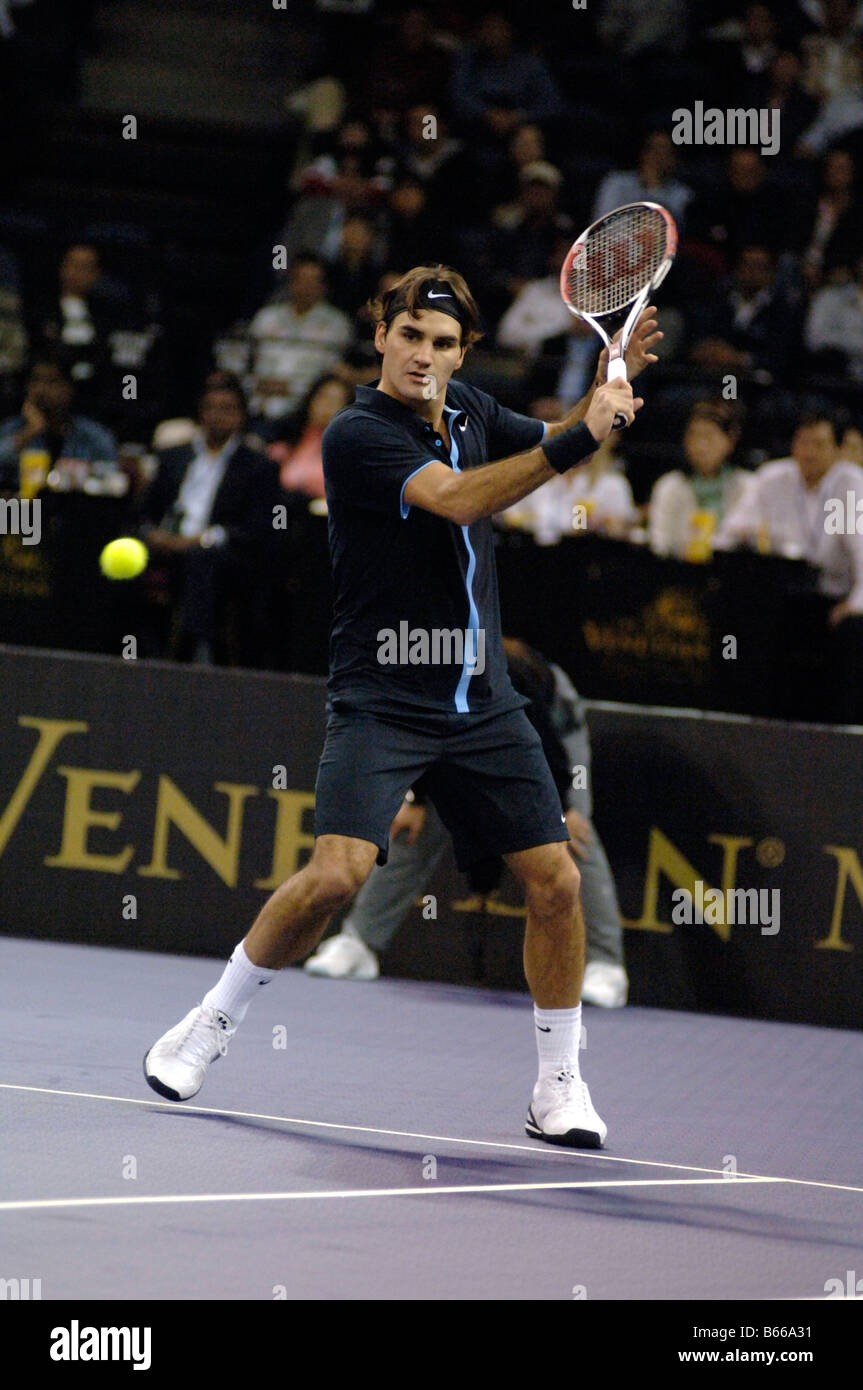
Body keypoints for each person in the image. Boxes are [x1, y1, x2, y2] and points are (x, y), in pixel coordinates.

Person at [144, 263, 660, 1150]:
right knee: (337, 875)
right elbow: (460, 501)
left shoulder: (472, 414)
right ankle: (210, 1022)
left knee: (556, 881)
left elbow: (548, 438)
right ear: (380, 335)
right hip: (382, 696)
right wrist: (584, 437)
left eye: (444, 343)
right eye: (410, 336)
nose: (424, 355)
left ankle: (557, 1085)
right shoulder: (357, 434)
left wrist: (605, 399)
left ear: (465, 354)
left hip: (483, 705)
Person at [305, 640, 630, 1008]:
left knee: (571, 834)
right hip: (469, 729)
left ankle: (607, 966)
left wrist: (565, 807)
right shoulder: (415, 672)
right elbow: (414, 736)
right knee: (417, 823)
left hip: (549, 723)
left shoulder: (497, 671)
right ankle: (359, 943)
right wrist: (415, 798)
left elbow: (543, 741)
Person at [714, 409, 863, 721]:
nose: (809, 453)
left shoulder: (851, 485)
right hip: (781, 594)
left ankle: (838, 727)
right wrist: (748, 533)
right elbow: (727, 535)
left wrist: (855, 604)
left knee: (852, 631)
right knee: (733, 611)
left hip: (831, 598)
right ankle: (740, 715)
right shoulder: (772, 477)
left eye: (819, 445)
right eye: (803, 443)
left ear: (837, 450)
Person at [140, 378, 282, 664]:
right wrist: (151, 532)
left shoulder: (257, 466)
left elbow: (256, 528)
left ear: (240, 416)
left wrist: (202, 539)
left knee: (201, 560)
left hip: (218, 551)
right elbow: (146, 509)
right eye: (211, 407)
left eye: (227, 408)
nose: (217, 415)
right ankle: (123, 649)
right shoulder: (173, 456)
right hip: (166, 542)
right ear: (200, 412)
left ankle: (192, 652)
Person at [648, 401, 751, 560]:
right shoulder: (670, 486)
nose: (700, 446)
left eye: (709, 436)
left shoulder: (747, 486)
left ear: (730, 440)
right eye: (694, 435)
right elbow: (659, 545)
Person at [0, 354, 115, 485]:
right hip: (23, 505)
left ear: (69, 388)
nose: (41, 390)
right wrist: (31, 431)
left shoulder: (93, 436)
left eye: (52, 382)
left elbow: (111, 481)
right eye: (35, 381)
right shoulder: (12, 429)